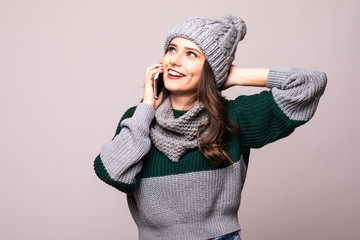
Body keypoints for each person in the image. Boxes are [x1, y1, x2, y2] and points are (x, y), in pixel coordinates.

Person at [93, 14, 327, 240]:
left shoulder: (234, 117)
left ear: (211, 69)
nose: (174, 60)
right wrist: (146, 107)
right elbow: (112, 173)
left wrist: (235, 75)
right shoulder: (138, 119)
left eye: (191, 54)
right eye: (172, 49)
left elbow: (310, 83)